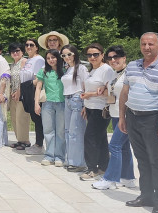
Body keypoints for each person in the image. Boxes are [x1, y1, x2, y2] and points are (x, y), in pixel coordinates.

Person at [119, 32, 158, 213]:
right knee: (142, 159)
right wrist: (122, 117)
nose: (146, 47)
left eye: (151, 44)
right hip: (133, 117)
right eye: (143, 44)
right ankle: (146, 195)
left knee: (156, 161)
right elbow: (125, 93)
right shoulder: (133, 65)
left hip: (154, 119)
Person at [91, 45, 137, 191]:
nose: (113, 60)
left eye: (116, 57)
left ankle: (110, 179)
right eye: (110, 58)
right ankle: (128, 178)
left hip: (126, 115)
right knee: (123, 147)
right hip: (116, 113)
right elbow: (114, 90)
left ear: (124, 58)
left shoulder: (130, 73)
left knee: (114, 146)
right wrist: (104, 89)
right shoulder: (114, 74)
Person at [80, 43, 115, 181]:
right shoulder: (92, 70)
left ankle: (92, 168)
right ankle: (103, 166)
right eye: (89, 55)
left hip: (101, 109)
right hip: (90, 108)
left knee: (90, 138)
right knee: (100, 138)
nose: (93, 57)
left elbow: (110, 91)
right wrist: (85, 104)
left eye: (95, 54)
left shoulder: (107, 70)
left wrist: (91, 94)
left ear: (102, 55)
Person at [59, 44, 88, 172]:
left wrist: (85, 105)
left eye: (69, 54)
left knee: (76, 131)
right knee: (68, 131)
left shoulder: (81, 68)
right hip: (67, 99)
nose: (66, 57)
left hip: (77, 99)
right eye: (63, 55)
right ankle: (70, 159)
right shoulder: (68, 69)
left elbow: (86, 86)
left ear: (74, 54)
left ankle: (79, 162)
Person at [35, 49, 66, 166]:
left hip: (62, 103)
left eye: (53, 57)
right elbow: (38, 88)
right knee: (48, 130)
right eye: (48, 58)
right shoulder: (43, 71)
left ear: (58, 58)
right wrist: (36, 103)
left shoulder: (65, 70)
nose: (51, 60)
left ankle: (60, 156)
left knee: (60, 131)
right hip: (47, 104)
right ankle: (49, 155)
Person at [20, 38, 45, 153]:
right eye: (27, 45)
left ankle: (39, 144)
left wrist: (27, 85)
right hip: (26, 90)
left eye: (31, 45)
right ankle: (37, 143)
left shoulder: (39, 60)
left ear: (37, 47)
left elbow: (38, 79)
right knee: (34, 118)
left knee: (38, 118)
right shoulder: (28, 60)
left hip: (34, 90)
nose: (28, 47)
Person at [7, 43, 30, 150]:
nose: (15, 53)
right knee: (14, 118)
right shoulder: (12, 64)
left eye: (17, 51)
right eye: (13, 51)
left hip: (22, 94)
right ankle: (19, 140)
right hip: (13, 94)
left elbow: (25, 79)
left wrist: (19, 92)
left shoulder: (24, 62)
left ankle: (25, 140)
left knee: (22, 117)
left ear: (22, 52)